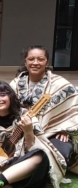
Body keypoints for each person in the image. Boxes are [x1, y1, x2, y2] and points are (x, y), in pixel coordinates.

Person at [10, 45, 78, 174]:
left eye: (40, 59)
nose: (35, 63)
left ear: (47, 62)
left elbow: (73, 108)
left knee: (59, 153)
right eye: (31, 59)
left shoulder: (60, 84)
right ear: (25, 62)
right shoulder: (16, 84)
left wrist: (64, 128)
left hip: (52, 131)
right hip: (20, 132)